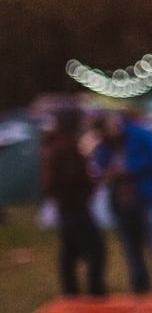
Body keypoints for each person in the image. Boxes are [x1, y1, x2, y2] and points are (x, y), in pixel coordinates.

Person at [93, 104, 152, 294]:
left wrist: (129, 167)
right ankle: (140, 286)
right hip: (122, 202)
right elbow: (100, 165)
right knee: (131, 247)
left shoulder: (140, 134)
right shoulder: (104, 146)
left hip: (149, 197)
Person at [40, 108, 106, 296]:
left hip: (67, 206)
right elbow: (72, 177)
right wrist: (90, 181)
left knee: (69, 253)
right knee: (95, 251)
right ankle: (94, 293)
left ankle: (72, 294)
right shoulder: (66, 147)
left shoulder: (53, 145)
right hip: (75, 206)